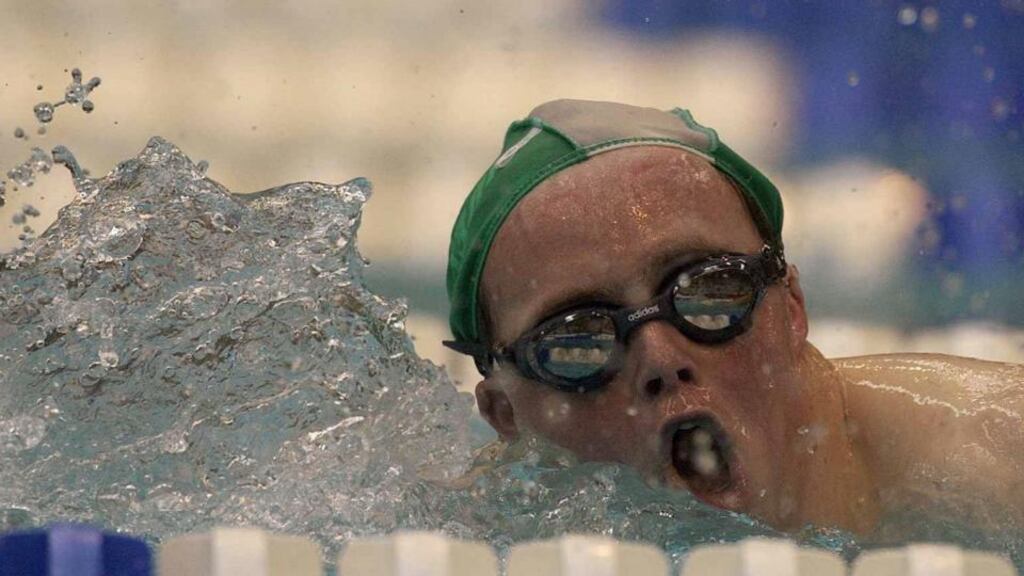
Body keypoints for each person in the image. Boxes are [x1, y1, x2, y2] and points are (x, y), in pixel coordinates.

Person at [442, 99, 1024, 537]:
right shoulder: (463, 535)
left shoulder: (998, 462)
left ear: (792, 307)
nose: (663, 362)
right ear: (504, 414)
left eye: (706, 289)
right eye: (578, 339)